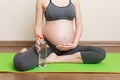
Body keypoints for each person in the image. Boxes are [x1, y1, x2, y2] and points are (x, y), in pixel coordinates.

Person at [14, 0, 106, 71]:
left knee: (100, 53)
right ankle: (24, 51)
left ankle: (56, 59)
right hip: (48, 46)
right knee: (20, 63)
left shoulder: (74, 1)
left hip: (69, 47)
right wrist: (40, 41)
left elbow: (79, 25)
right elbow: (38, 26)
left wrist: (74, 43)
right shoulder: (42, 1)